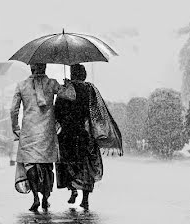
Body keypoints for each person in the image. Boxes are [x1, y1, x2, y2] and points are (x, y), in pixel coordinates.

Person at [55, 64, 118, 209]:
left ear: (72, 74)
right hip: (85, 133)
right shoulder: (90, 90)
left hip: (67, 134)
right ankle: (85, 199)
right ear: (84, 75)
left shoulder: (65, 91)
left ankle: (72, 190)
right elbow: (96, 112)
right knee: (86, 165)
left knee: (68, 162)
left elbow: (57, 111)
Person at [10, 63, 70, 211]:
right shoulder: (52, 84)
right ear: (45, 68)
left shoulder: (21, 85)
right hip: (47, 132)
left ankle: (36, 196)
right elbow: (71, 96)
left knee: (30, 164)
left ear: (31, 68)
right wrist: (67, 85)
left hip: (29, 131)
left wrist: (15, 128)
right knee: (47, 165)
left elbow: (13, 110)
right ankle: (45, 198)